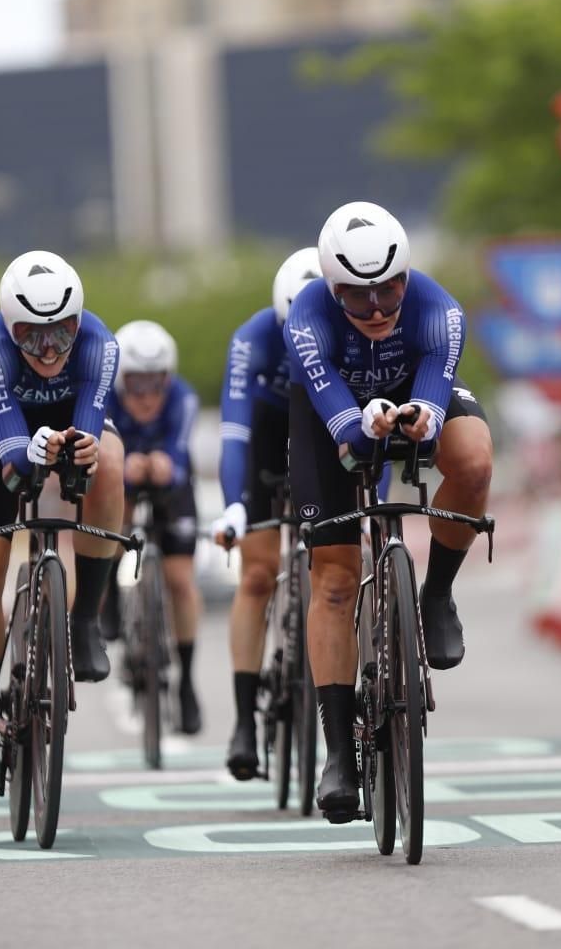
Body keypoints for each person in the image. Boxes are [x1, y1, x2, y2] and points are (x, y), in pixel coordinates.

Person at [286, 200, 493, 823]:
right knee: (335, 581)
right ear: (330, 287)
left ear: (407, 274)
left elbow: (433, 391)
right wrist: (362, 425)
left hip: (412, 392)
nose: (377, 308)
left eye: (389, 290)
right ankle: (339, 753)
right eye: (357, 297)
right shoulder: (306, 318)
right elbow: (340, 422)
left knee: (476, 462)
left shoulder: (439, 311)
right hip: (334, 410)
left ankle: (436, 595)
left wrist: (421, 416)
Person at [0, 251, 126, 795]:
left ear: (78, 323)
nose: (48, 350)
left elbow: (91, 427)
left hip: (72, 417)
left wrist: (80, 452)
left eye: (60, 335)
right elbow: (9, 444)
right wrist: (31, 451)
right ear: (10, 330)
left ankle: (87, 618)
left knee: (113, 464)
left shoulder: (101, 344)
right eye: (31, 337)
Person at [210, 246, 322, 779]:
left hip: (326, 427)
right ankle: (243, 720)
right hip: (269, 433)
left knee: (352, 553)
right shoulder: (253, 336)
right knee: (256, 573)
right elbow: (234, 430)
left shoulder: (346, 325)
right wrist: (235, 504)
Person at [108, 319, 204, 735]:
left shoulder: (182, 398)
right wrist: (125, 469)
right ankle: (108, 596)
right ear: (119, 382)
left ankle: (186, 680)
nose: (146, 396)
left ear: (168, 379)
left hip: (171, 482)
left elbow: (180, 454)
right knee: (111, 504)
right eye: (136, 384)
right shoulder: (106, 402)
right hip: (122, 480)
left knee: (180, 580)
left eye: (155, 384)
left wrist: (167, 465)